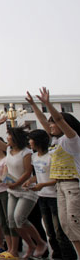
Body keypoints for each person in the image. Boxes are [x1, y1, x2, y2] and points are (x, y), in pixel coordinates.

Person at [27, 88, 80, 256]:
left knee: (75, 224)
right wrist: (34, 105)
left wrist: (47, 103)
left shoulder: (72, 140)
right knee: (66, 227)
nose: (50, 125)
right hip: (60, 186)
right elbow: (44, 121)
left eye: (54, 123)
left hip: (73, 185)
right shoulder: (56, 141)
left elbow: (58, 118)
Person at [0, 116, 47, 259]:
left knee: (19, 218)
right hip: (12, 190)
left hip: (26, 190)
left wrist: (16, 183)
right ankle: (31, 244)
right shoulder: (9, 149)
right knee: (11, 220)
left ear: (15, 138)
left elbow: (28, 172)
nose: (7, 138)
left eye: (9, 135)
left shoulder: (26, 153)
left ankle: (40, 243)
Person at [24, 129, 77, 260]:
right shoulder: (34, 157)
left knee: (60, 230)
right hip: (42, 196)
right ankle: (55, 254)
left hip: (54, 195)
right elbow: (37, 175)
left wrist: (43, 185)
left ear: (38, 140)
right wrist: (29, 181)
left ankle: (67, 255)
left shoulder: (52, 155)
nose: (29, 142)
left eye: (31, 139)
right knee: (49, 231)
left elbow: (57, 177)